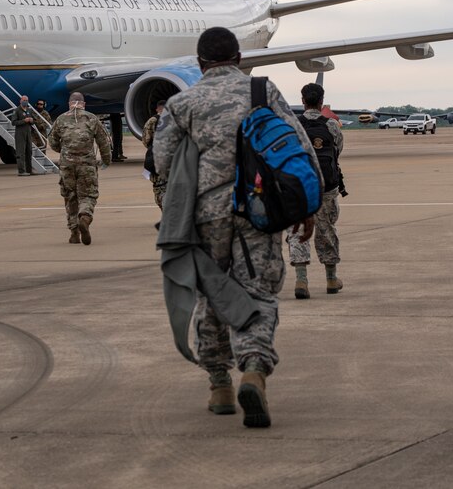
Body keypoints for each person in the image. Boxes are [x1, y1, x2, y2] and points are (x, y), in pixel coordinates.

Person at [154, 27, 318, 429]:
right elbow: (299, 146)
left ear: (199, 63)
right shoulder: (262, 92)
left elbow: (162, 162)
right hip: (259, 210)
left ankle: (219, 386)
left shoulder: (183, 103)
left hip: (206, 216)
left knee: (213, 294)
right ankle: (254, 369)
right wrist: (307, 207)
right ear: (240, 58)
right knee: (259, 291)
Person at [286, 83, 343, 299]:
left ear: (302, 100)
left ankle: (302, 280)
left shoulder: (292, 124)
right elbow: (337, 151)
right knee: (326, 230)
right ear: (321, 101)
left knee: (298, 232)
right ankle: (331, 279)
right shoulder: (331, 125)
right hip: (326, 188)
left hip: (298, 188)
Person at [48, 91, 112, 244]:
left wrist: (65, 151)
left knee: (70, 196)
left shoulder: (61, 119)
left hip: (67, 165)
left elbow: (53, 142)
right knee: (88, 195)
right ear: (83, 104)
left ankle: (74, 233)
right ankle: (85, 217)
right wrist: (106, 160)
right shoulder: (91, 118)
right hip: (87, 164)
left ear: (69, 104)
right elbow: (104, 142)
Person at [142, 100, 169, 210]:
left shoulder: (152, 121)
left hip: (157, 159)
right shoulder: (175, 119)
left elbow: (145, 140)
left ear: (158, 109)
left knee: (159, 189)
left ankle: (166, 210)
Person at [13, 95, 36, 176]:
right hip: (20, 134)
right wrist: (24, 120)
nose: (25, 101)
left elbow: (33, 121)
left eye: (26, 100)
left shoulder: (29, 110)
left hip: (28, 133)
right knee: (20, 152)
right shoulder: (17, 110)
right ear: (20, 101)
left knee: (29, 151)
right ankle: (21, 171)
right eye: (24, 100)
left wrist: (31, 120)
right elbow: (14, 122)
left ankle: (29, 170)